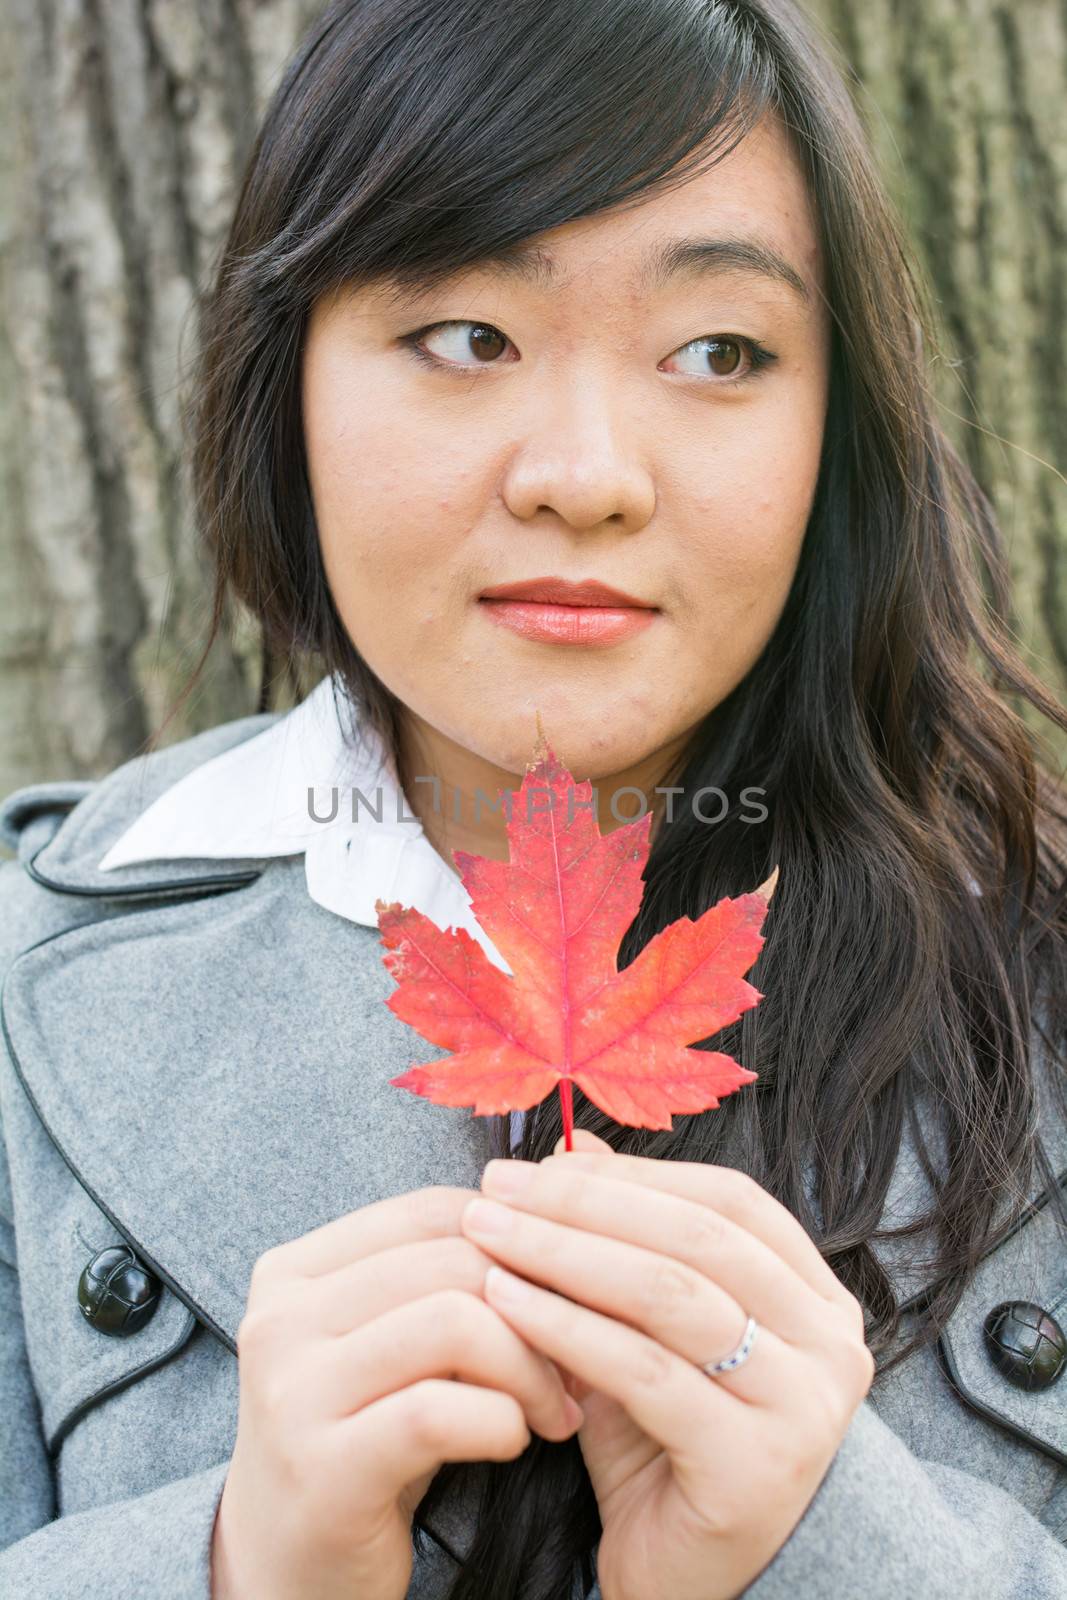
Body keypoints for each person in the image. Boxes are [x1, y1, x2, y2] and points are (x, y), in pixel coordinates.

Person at [2, 0, 1067, 1595]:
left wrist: (841, 1551)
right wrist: (234, 1567)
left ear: (836, 423)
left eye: (718, 352)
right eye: (468, 336)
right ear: (284, 381)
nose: (584, 470)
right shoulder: (29, 984)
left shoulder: (1035, 969)